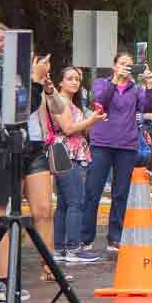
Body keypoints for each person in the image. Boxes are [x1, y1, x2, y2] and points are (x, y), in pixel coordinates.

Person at [0, 22, 63, 300]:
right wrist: (36, 82)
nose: (5, 44)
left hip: (0, 154)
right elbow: (17, 112)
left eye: (8, 40)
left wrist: (37, 83)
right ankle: (0, 282)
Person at [82, 51, 152, 254]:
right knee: (92, 191)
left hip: (126, 146)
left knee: (120, 193)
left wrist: (149, 85)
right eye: (122, 63)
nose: (125, 67)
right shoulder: (101, 83)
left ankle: (115, 238)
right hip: (101, 143)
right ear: (114, 66)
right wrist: (115, 81)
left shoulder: (136, 89)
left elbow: (149, 108)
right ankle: (85, 238)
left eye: (129, 65)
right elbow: (101, 103)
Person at [46, 67, 106, 263]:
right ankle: (73, 248)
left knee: (65, 203)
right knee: (76, 202)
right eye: (69, 78)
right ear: (60, 82)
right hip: (66, 152)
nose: (74, 82)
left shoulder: (68, 102)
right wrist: (91, 120)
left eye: (77, 79)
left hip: (65, 152)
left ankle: (59, 248)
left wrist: (93, 120)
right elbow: (68, 128)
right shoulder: (61, 101)